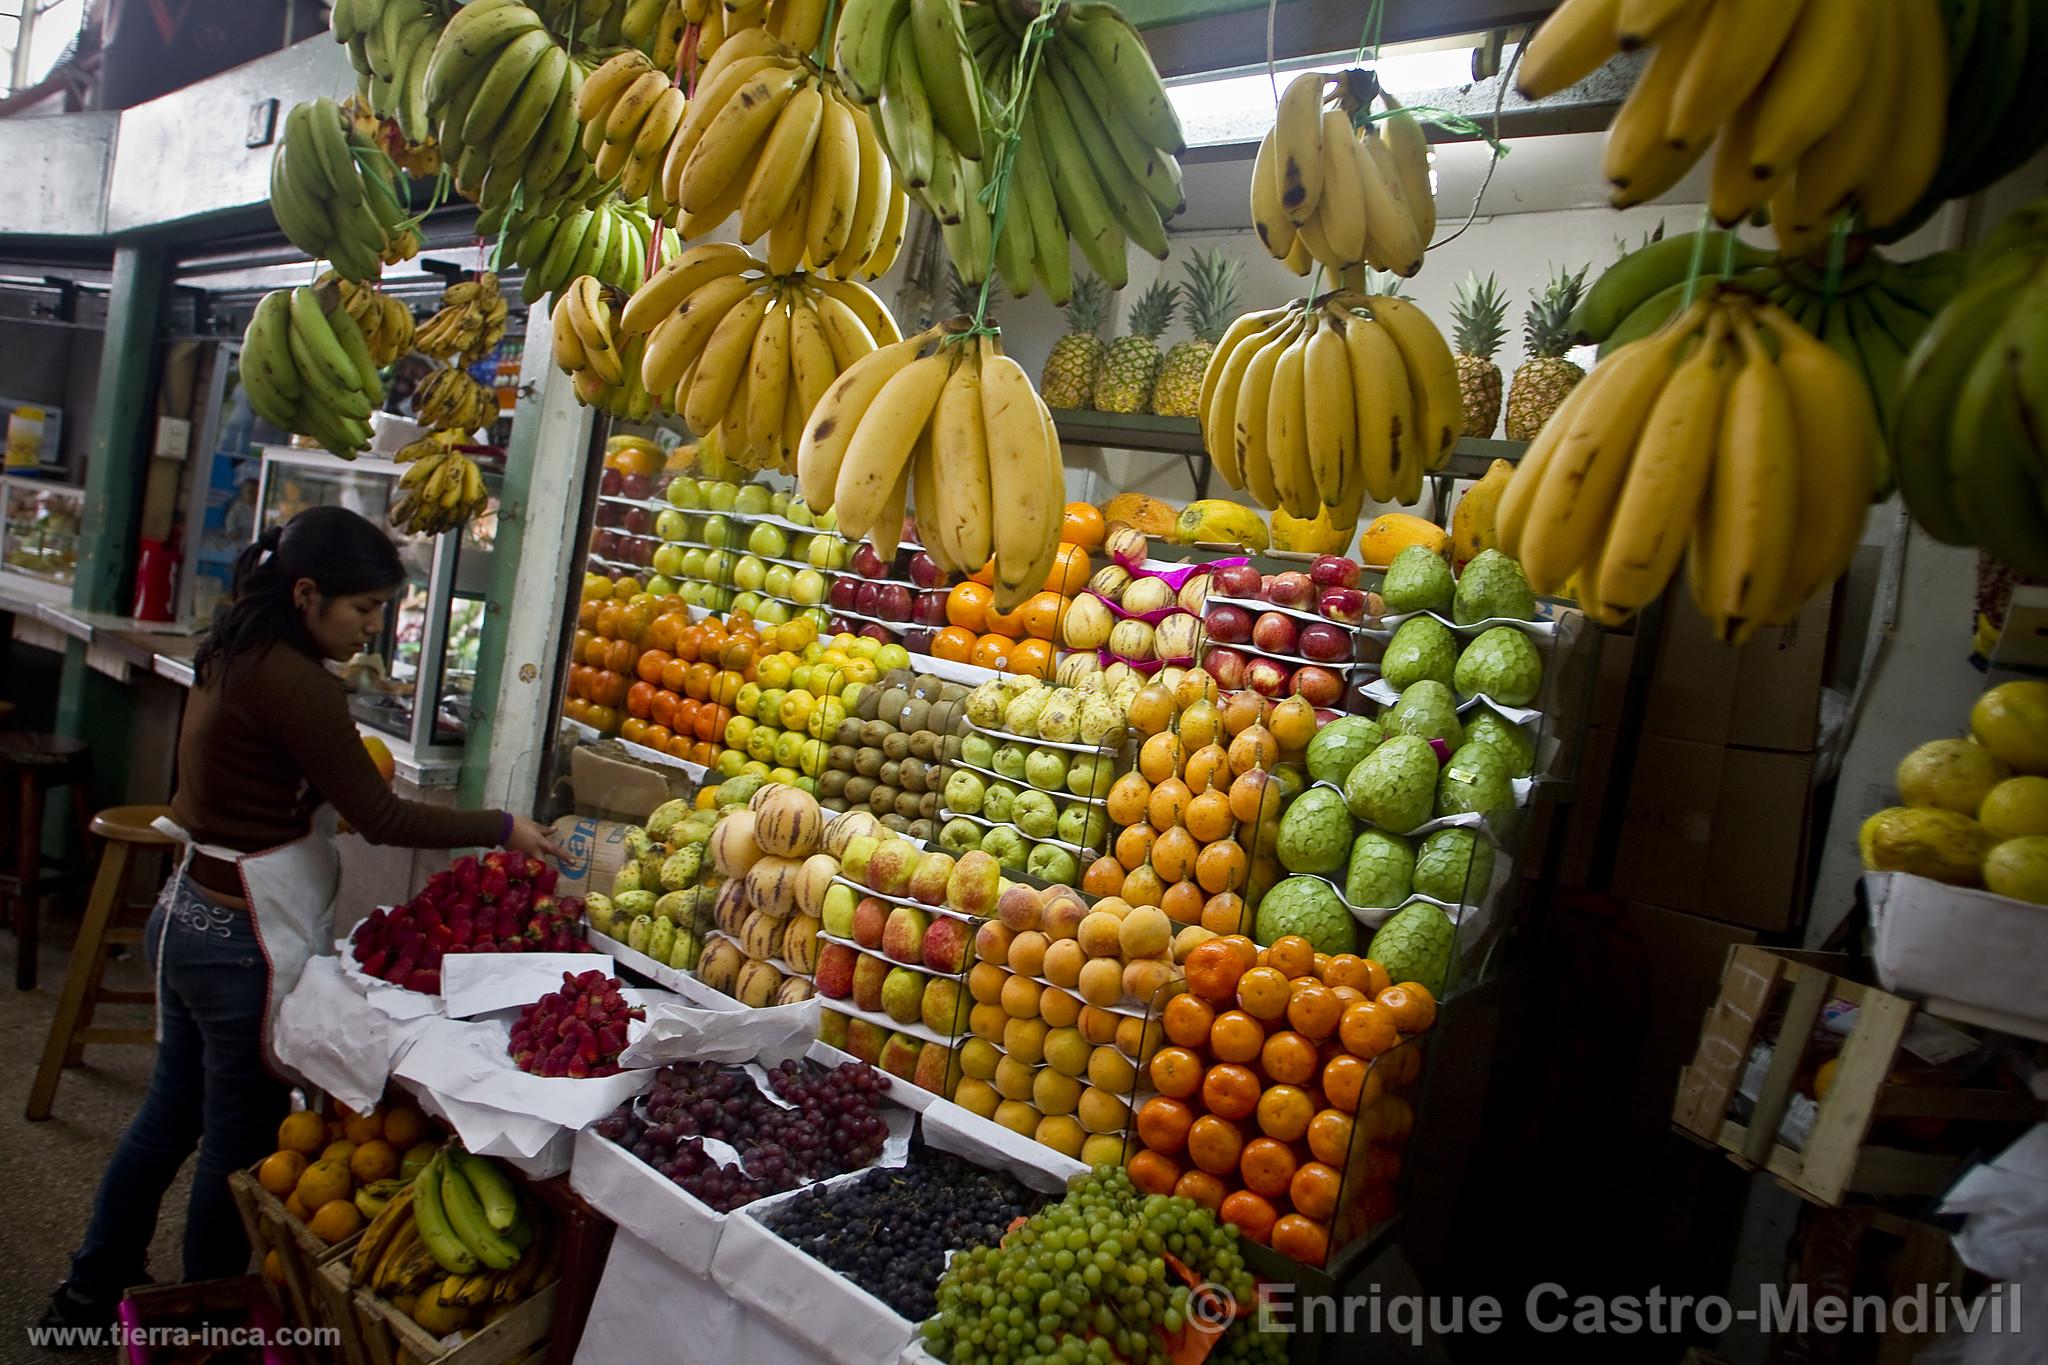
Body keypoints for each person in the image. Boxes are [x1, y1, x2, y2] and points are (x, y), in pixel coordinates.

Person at [43, 505, 560, 1330]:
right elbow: (385, 818)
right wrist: (502, 828)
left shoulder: (237, 646)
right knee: (237, 1140)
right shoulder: (301, 684)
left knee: (168, 1115)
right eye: (362, 610)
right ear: (309, 594)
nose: (373, 628)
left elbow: (259, 778)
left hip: (184, 916)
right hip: (237, 946)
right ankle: (205, 1313)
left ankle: (89, 1287)